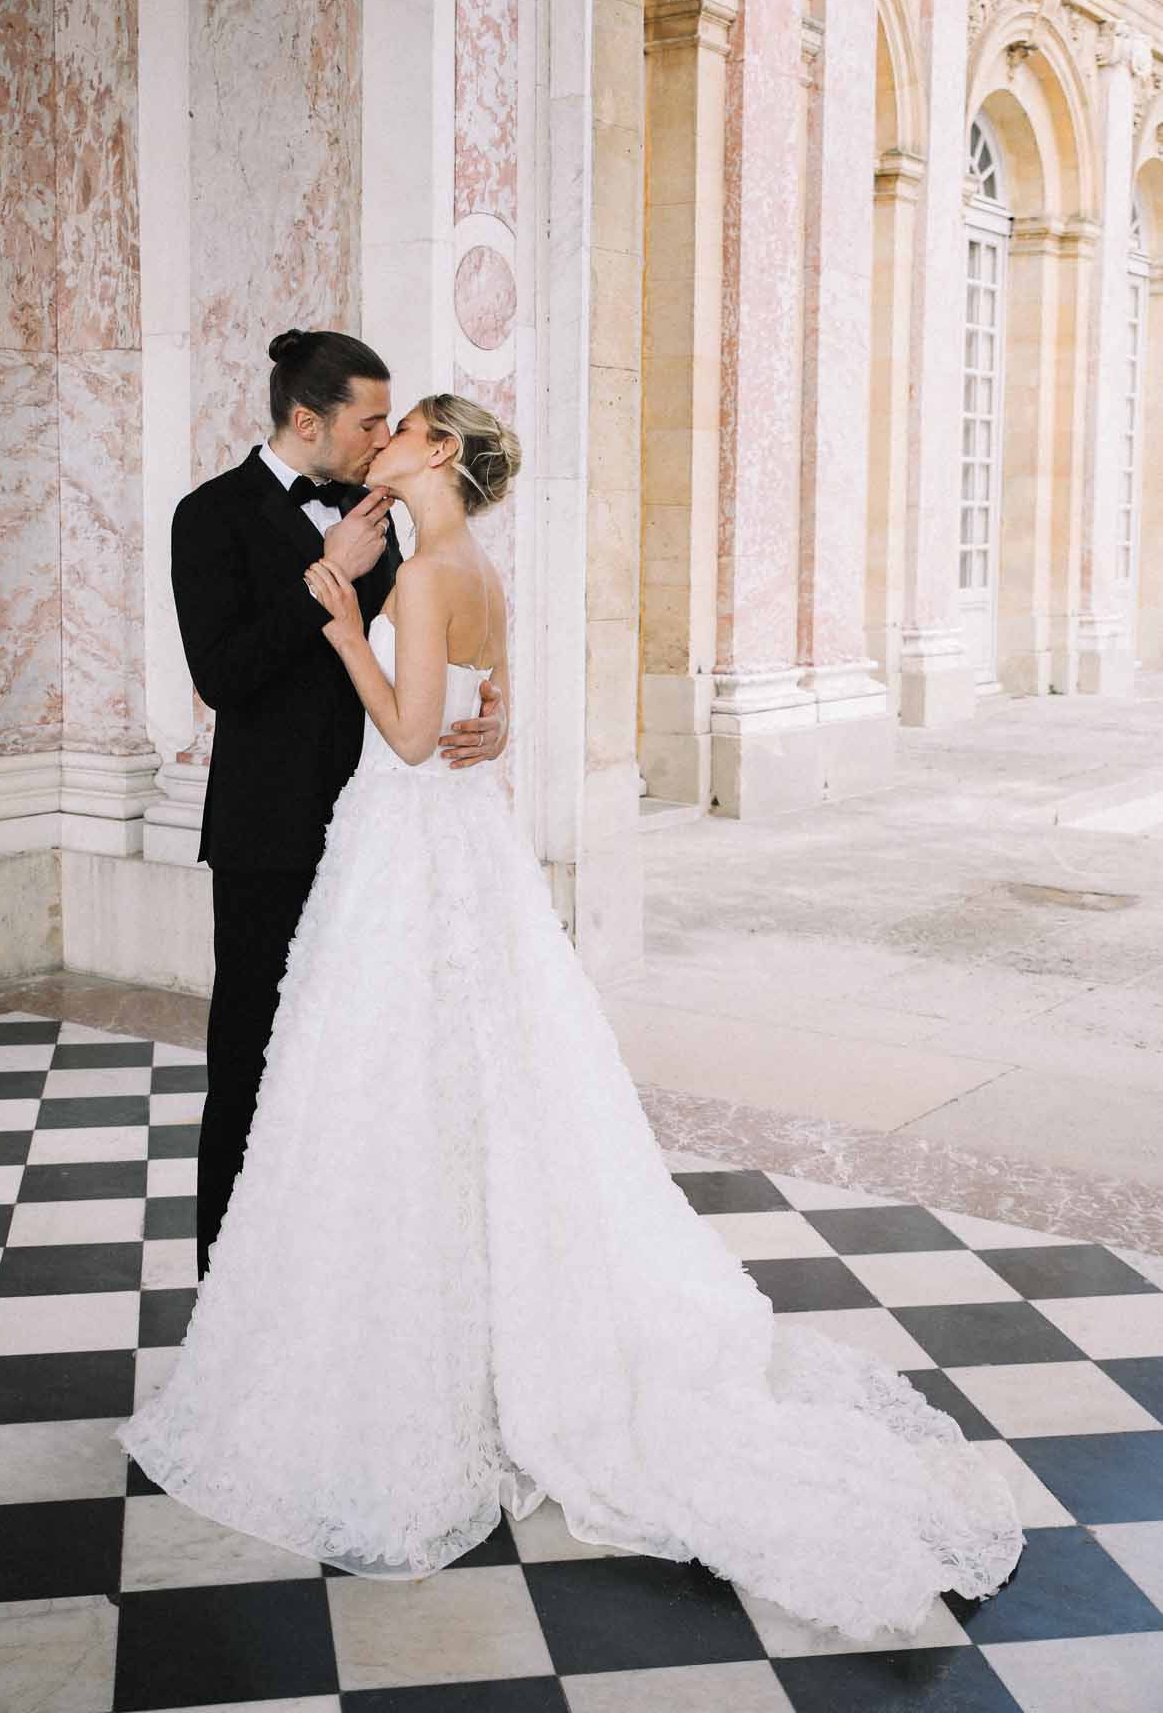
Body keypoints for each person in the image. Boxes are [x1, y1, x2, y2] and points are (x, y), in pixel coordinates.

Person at [119, 393, 1025, 1641]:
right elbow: (489, 726)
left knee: (390, 1081)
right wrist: (463, 709)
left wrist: (340, 625)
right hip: (453, 850)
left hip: (404, 850)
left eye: (406, 422)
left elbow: (411, 728)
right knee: (468, 1084)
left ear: (437, 451)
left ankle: (414, 1351)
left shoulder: (428, 569)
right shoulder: (475, 566)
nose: (384, 435)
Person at [167, 329, 507, 1278]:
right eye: (366, 422)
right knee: (250, 1055)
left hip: (382, 834)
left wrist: (496, 713)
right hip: (269, 832)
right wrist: (330, 575)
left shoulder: (382, 514)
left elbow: (423, 653)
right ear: (306, 420)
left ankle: (338, 1274)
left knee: (360, 1062)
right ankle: (227, 1278)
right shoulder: (210, 515)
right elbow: (224, 678)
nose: (375, 439)